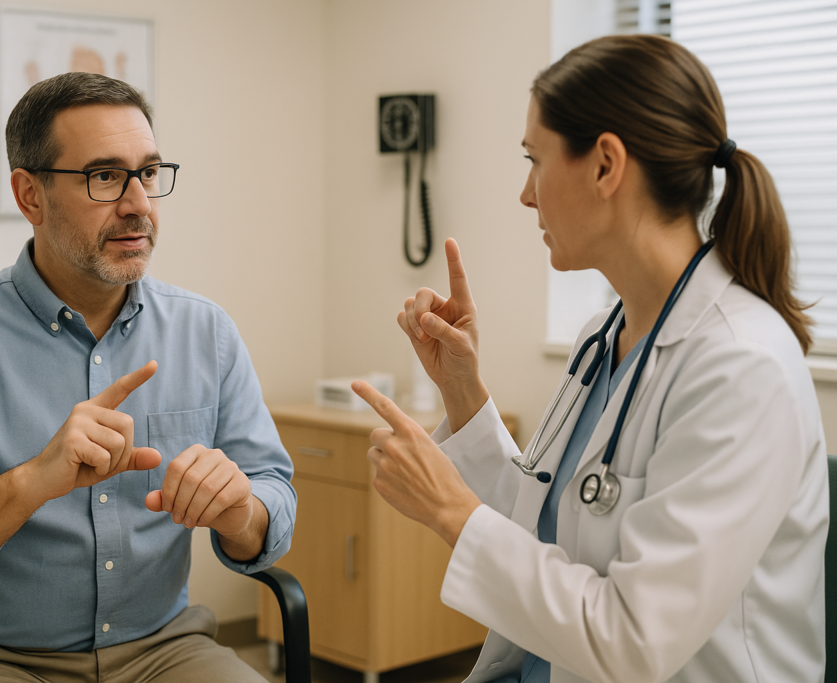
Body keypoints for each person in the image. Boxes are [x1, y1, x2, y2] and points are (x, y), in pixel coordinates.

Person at [351, 34, 827, 683]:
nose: (525, 194)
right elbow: (547, 522)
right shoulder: (603, 338)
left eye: (534, 159)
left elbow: (633, 641)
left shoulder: (743, 367)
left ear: (605, 165)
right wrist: (463, 391)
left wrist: (451, 513)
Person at [0, 72, 295, 683]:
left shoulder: (206, 331)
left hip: (163, 650)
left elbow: (273, 491)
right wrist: (30, 482)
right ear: (30, 195)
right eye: (105, 177)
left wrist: (240, 512)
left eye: (149, 174)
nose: (138, 204)